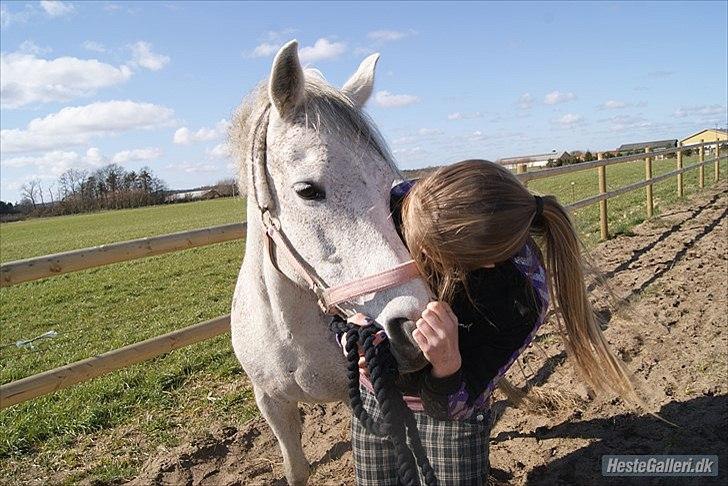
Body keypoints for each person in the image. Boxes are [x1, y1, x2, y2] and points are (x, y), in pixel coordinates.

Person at [342, 159, 638, 486]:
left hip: (449, 418)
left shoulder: (520, 302)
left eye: (428, 253)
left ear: (483, 262)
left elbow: (458, 404)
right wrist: (350, 331)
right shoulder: (401, 202)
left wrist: (447, 363)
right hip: (377, 393)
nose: (411, 249)